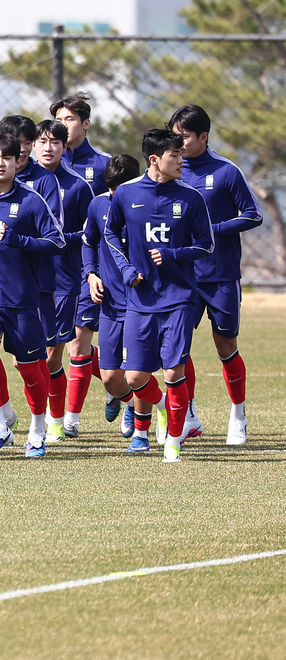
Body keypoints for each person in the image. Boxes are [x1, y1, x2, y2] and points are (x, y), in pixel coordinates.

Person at [103, 127, 214, 463]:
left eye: (181, 153)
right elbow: (110, 234)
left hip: (179, 298)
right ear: (154, 159)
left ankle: (173, 443)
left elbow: (206, 244)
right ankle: (167, 409)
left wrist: (174, 254)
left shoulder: (191, 197)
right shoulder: (125, 194)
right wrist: (124, 270)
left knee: (172, 373)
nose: (181, 160)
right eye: (174, 155)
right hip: (140, 300)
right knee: (135, 376)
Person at [0, 134, 64, 459]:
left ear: (17, 162)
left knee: (32, 370)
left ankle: (36, 429)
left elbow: (56, 241)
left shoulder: (32, 201)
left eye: (8, 157)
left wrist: (22, 241)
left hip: (21, 300)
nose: (1, 162)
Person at [169, 104, 263, 445]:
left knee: (226, 346)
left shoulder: (226, 171)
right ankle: (189, 413)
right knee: (178, 348)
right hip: (182, 275)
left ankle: (238, 414)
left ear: (203, 137)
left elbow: (253, 214)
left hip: (220, 274)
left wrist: (213, 229)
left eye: (184, 138)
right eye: (174, 138)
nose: (178, 145)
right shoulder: (169, 170)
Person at [32, 119, 95, 440]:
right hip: (26, 278)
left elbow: (90, 232)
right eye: (42, 141)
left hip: (63, 278)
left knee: (51, 354)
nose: (48, 147)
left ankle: (52, 420)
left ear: (64, 146)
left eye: (54, 142)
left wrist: (55, 238)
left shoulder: (78, 186)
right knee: (25, 357)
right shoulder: (22, 180)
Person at [81, 154, 141, 438]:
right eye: (112, 187)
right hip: (110, 303)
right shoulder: (98, 205)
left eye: (121, 187)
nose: (115, 194)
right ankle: (129, 401)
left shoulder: (146, 208)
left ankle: (145, 428)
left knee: (137, 372)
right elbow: (88, 243)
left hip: (143, 304)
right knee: (109, 378)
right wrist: (91, 274)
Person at [54, 91, 112, 196]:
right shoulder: (46, 161)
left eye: (69, 119)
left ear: (86, 124)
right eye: (58, 120)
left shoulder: (105, 162)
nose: (63, 125)